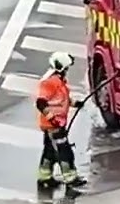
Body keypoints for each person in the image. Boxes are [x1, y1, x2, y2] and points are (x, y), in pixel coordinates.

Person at [35, 52, 86, 190]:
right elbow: (41, 103)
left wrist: (76, 103)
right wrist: (53, 119)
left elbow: (62, 100)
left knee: (50, 151)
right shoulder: (50, 82)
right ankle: (70, 178)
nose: (67, 70)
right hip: (53, 125)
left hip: (56, 124)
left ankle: (44, 177)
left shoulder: (59, 82)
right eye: (66, 68)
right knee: (65, 152)